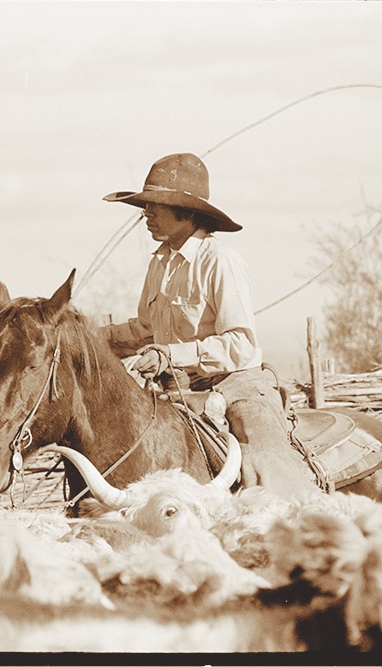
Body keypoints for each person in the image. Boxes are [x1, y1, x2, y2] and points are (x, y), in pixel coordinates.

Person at [99, 152, 320, 502]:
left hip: (238, 387)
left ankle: (298, 521)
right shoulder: (160, 264)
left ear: (187, 213)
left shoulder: (221, 262)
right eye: (146, 206)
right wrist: (90, 337)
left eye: (155, 206)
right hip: (178, 394)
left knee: (265, 471)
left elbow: (241, 346)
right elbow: (144, 329)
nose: (146, 215)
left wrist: (170, 354)